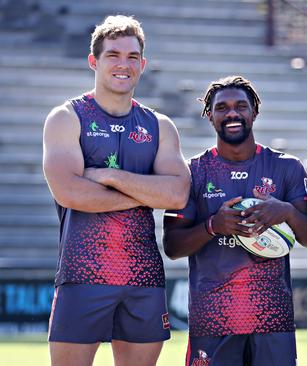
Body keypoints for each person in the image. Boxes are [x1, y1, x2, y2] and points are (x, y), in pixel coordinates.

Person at [42, 15, 191, 366]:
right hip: (83, 274)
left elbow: (178, 195)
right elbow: (71, 193)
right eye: (113, 55)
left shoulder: (159, 125)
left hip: (143, 278)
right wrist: (146, 195)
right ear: (94, 61)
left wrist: (110, 175)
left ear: (143, 64)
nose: (123, 64)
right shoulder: (67, 117)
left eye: (132, 56)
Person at [163, 75, 307, 366]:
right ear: (209, 115)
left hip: (272, 321)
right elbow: (172, 246)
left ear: (254, 112)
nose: (232, 113)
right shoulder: (192, 173)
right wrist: (213, 226)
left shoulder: (286, 167)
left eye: (241, 106)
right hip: (213, 321)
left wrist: (286, 211)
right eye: (222, 108)